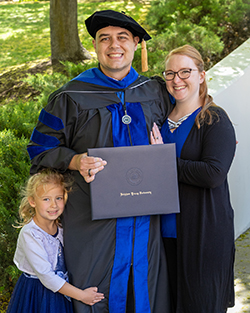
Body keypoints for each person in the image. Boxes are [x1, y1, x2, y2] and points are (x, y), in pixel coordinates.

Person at [27, 10, 173, 313]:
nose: (113, 45)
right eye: (104, 39)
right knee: (98, 293)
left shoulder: (152, 91)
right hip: (94, 220)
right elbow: (39, 149)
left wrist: (210, 127)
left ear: (136, 43)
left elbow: (183, 120)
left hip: (145, 218)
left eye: (122, 38)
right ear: (95, 46)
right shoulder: (71, 96)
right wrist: (75, 159)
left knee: (145, 286)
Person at [151, 44, 236, 313]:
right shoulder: (160, 121)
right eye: (170, 73)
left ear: (201, 74)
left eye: (185, 71)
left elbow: (213, 174)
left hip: (203, 235)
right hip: (162, 236)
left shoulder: (215, 119)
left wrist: (163, 161)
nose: (177, 80)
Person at [7, 169, 104, 313]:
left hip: (63, 289)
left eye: (58, 198)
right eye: (46, 199)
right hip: (38, 293)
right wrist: (82, 296)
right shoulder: (30, 234)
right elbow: (47, 276)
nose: (54, 205)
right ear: (32, 201)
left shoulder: (62, 227)